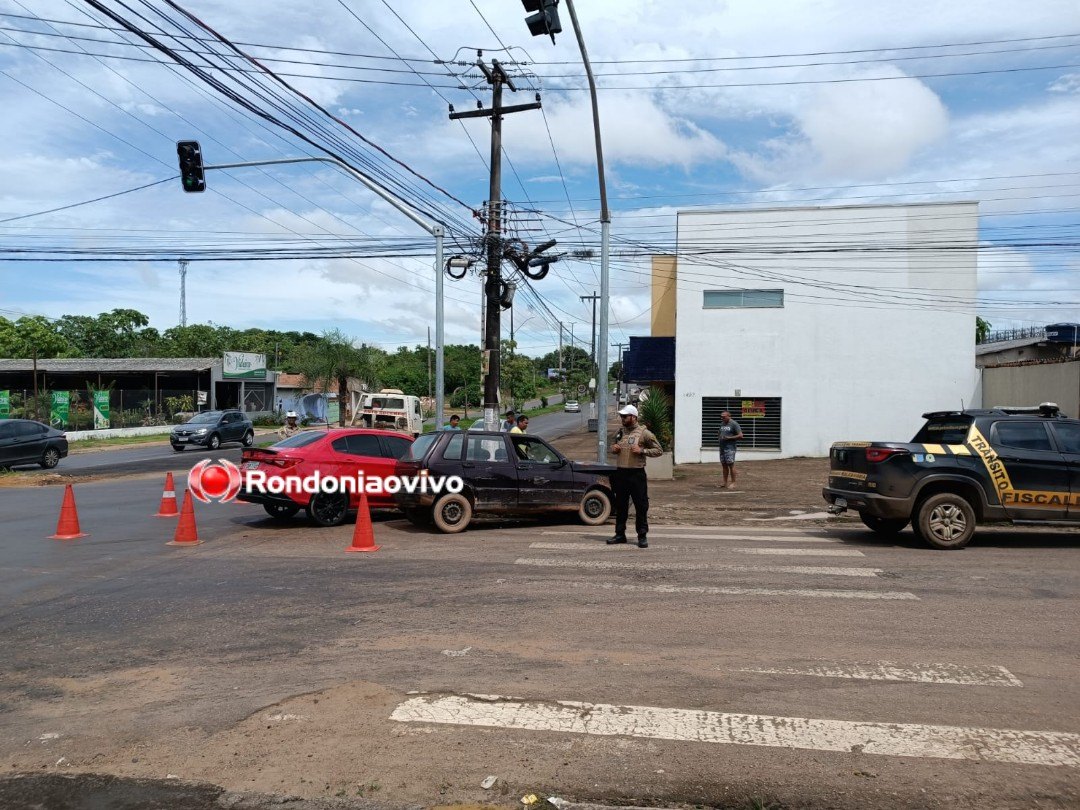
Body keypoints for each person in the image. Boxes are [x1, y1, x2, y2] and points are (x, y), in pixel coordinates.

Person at [608, 404, 662, 548]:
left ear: (633, 417)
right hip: (621, 473)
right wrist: (614, 449)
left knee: (641, 505)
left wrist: (642, 450)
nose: (622, 419)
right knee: (621, 506)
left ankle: (642, 535)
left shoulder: (645, 433)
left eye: (625, 416)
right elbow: (613, 446)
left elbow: (658, 450)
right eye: (621, 416)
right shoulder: (620, 432)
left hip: (636, 474)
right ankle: (620, 534)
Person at [718, 410, 744, 489]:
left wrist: (729, 438)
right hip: (722, 447)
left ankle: (733, 483)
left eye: (724, 417)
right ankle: (725, 482)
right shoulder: (722, 424)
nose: (722, 418)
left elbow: (741, 435)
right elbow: (719, 432)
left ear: (729, 416)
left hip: (730, 448)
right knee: (724, 465)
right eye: (721, 417)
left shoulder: (734, 424)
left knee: (731, 465)